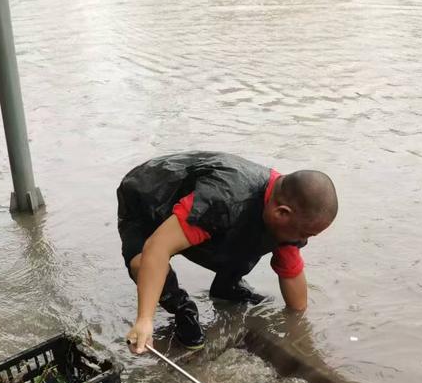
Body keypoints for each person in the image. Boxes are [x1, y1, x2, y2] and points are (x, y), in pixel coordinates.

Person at [117, 151, 338, 355]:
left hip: (209, 213)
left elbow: (291, 271)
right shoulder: (223, 199)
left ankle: (226, 289)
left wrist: (298, 328)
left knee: (259, 238)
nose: (303, 240)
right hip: (147, 200)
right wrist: (145, 318)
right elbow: (157, 247)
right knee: (141, 265)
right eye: (304, 234)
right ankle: (183, 309)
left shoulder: (289, 211)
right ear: (281, 213)